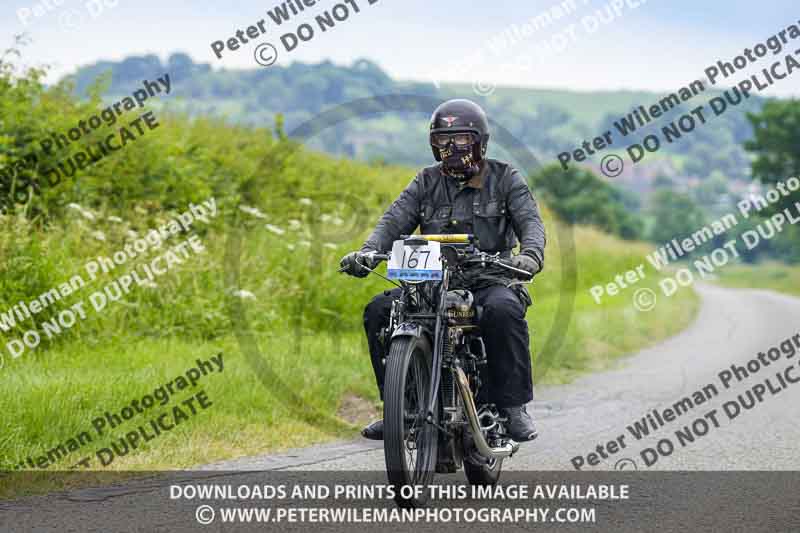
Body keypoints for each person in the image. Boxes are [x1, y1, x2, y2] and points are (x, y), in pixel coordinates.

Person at [340, 99, 546, 442]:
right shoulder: (425, 181)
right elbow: (393, 220)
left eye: (462, 140)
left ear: (480, 142)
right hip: (430, 283)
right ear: (433, 144)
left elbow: (531, 223)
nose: (451, 148)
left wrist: (530, 256)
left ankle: (512, 408)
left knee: (503, 310)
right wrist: (367, 253)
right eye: (442, 140)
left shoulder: (505, 177)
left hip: (488, 279)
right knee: (379, 310)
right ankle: (399, 409)